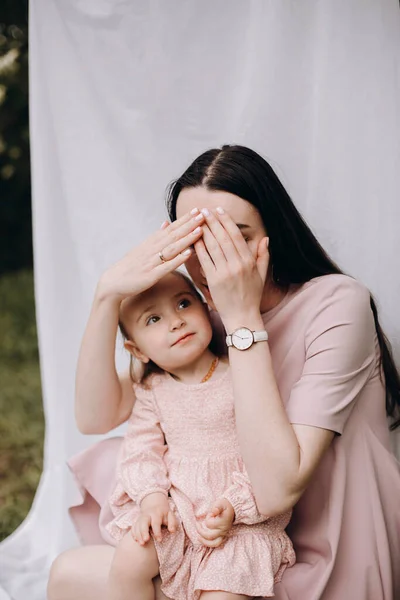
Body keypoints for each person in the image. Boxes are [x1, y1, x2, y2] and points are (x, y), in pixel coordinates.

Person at [47, 145, 400, 600]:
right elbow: (96, 417)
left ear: (273, 233)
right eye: (197, 241)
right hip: (219, 539)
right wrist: (106, 296)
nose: (214, 260)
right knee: (67, 573)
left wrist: (242, 318)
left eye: (234, 237)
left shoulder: (338, 303)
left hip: (322, 558)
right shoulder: (201, 318)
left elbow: (274, 491)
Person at [104, 270, 295, 600]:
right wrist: (152, 498)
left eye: (183, 303)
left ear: (207, 310)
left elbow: (270, 450)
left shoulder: (242, 374)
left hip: (237, 521)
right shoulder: (153, 389)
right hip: (177, 511)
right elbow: (140, 449)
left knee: (223, 591)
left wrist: (235, 505)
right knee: (130, 557)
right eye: (153, 319)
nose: (176, 322)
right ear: (138, 351)